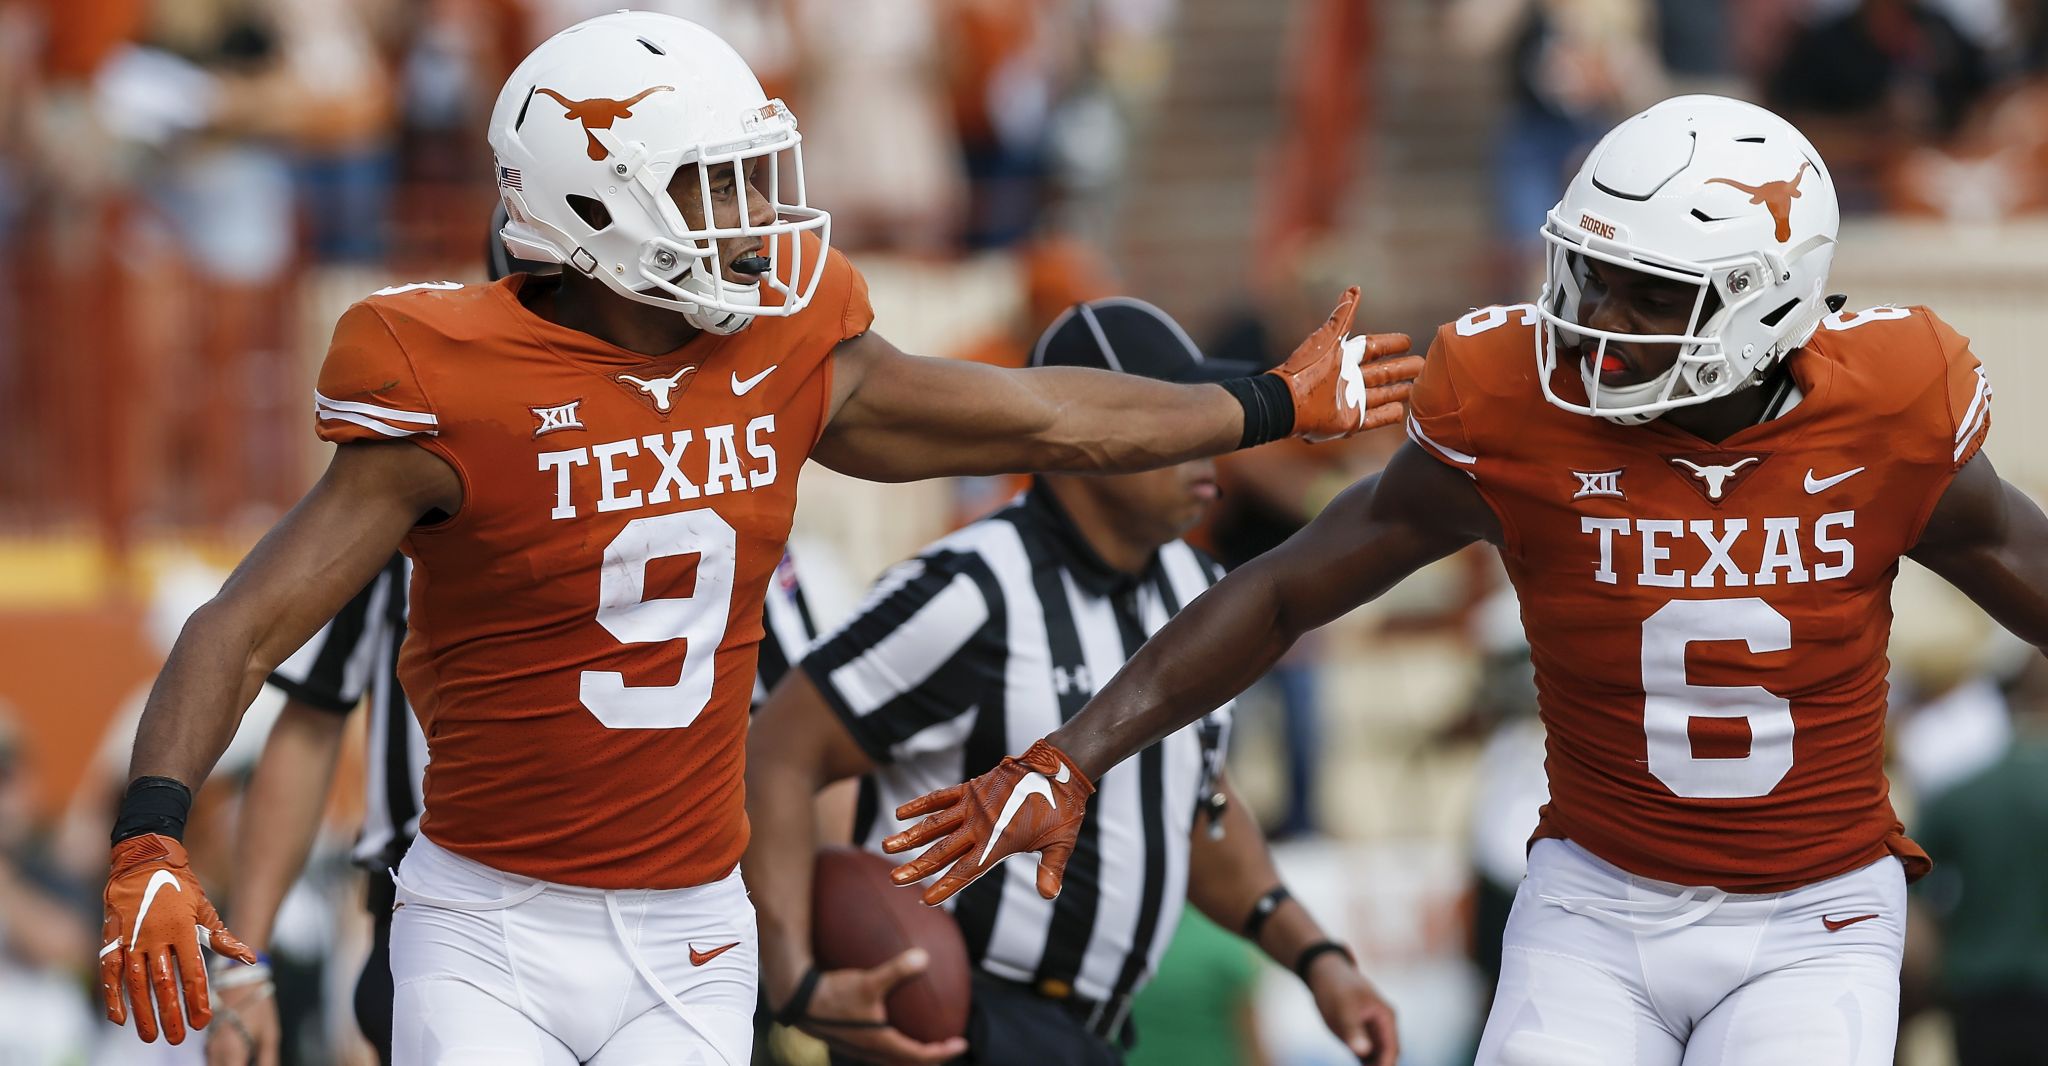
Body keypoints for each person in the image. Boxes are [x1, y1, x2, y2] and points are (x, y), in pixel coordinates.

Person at [94, 10, 1421, 1063]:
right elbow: (242, 624)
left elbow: (1042, 413)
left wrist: (1262, 403)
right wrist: (153, 832)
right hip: (489, 918)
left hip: (694, 925)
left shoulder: (794, 350)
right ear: (597, 203)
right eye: (712, 186)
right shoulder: (449, 376)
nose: (756, 220)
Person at [882, 94, 2048, 1065]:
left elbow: (2025, 567)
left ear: (1765, 302)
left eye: (1646, 295)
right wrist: (1071, 753)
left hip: (1813, 913)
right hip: (1596, 905)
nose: (1594, 323)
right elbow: (1290, 587)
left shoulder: (1890, 406)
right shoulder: (1513, 406)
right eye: (1588, 275)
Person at [202, 207, 829, 1066]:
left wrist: (803, 945)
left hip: (674, 907)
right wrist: (251, 957)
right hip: (464, 904)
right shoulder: (423, 474)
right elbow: (308, 715)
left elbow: (801, 727)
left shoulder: (727, 466)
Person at [744, 299, 1398, 1066]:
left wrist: (1318, 958)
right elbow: (780, 752)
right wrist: (795, 974)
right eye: (1175, 413)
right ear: (1102, 428)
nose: (1205, 443)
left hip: (1095, 1034)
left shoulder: (1200, 586)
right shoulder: (971, 588)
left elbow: (1192, 809)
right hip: (960, 1016)